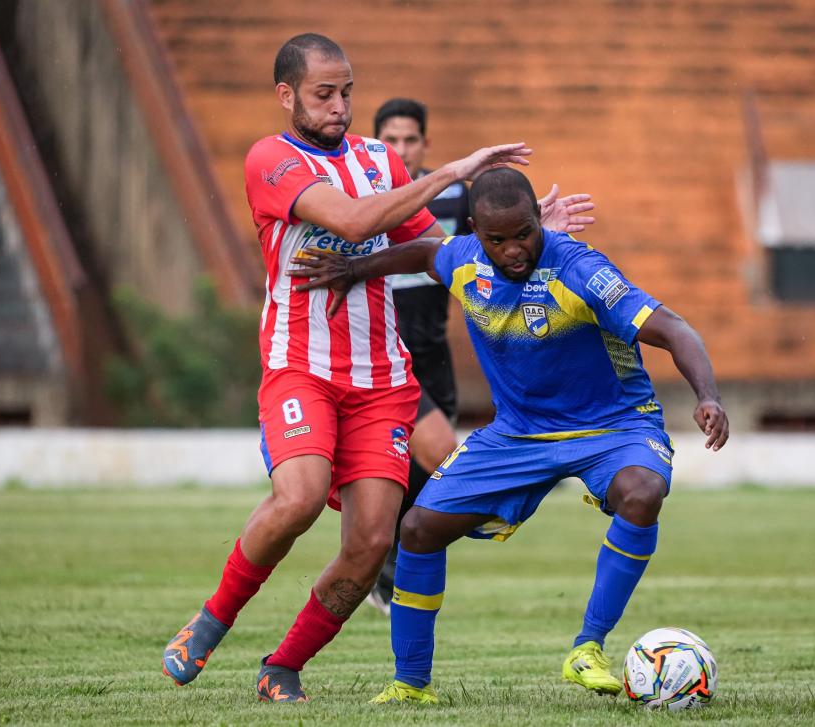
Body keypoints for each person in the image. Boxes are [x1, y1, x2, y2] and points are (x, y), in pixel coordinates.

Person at [160, 32, 535, 703]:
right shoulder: (271, 159)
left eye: (347, 93)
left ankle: (282, 666)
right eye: (324, 94)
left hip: (383, 383)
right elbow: (356, 221)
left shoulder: (379, 159)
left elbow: (431, 249)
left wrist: (515, 246)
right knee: (299, 497)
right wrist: (452, 171)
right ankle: (212, 619)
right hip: (299, 368)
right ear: (287, 95)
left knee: (368, 543)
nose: (340, 107)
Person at [290, 166, 730, 704]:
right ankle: (410, 684)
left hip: (614, 424)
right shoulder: (466, 259)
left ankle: (587, 647)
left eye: (524, 233)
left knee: (641, 493)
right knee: (420, 529)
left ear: (536, 221)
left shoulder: (580, 269)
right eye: (497, 239)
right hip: (518, 435)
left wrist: (706, 395)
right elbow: (426, 254)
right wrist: (357, 268)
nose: (513, 249)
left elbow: (674, 328)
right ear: (476, 230)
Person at [365, 98, 595, 613]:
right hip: (384, 354)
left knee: (422, 469)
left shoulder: (452, 199)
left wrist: (542, 237)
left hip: (433, 355)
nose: (400, 149)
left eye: (409, 140)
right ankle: (405, 551)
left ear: (425, 144)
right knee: (440, 451)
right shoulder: (360, 202)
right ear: (374, 144)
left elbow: (498, 264)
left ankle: (390, 562)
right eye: (390, 141)